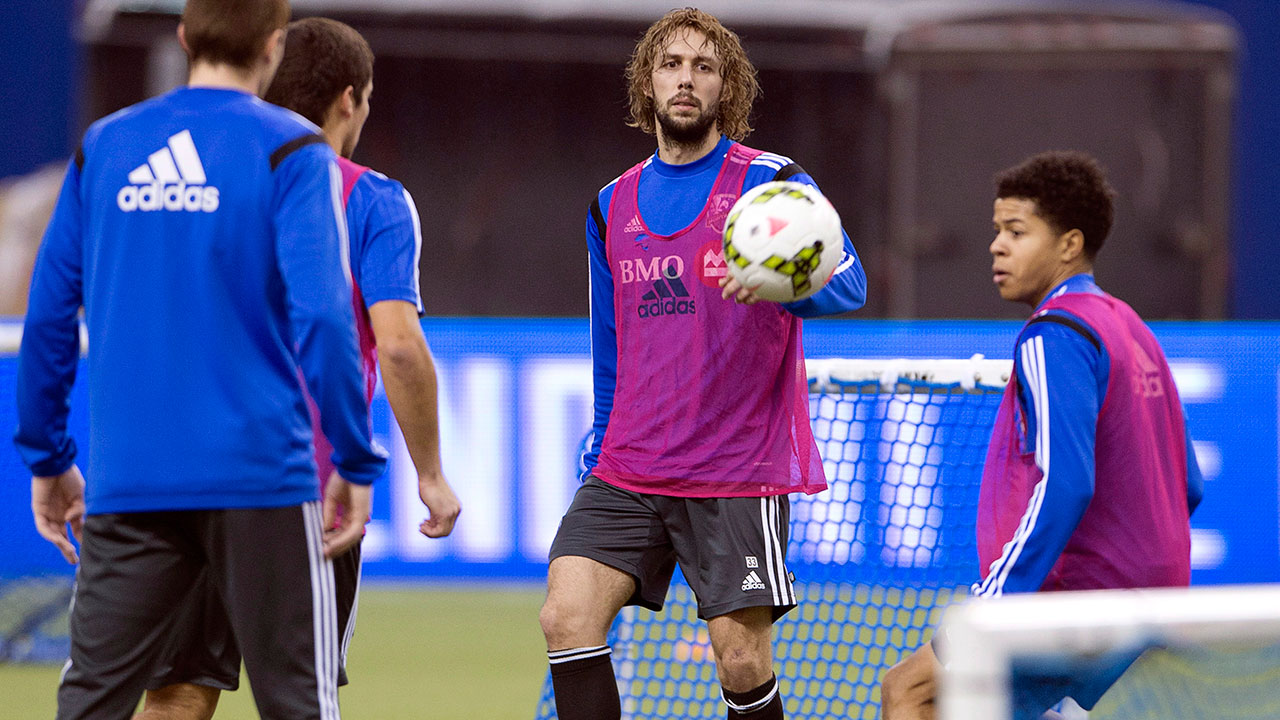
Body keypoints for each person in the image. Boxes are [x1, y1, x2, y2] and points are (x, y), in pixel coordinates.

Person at [12, 0, 388, 717]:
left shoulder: (105, 147)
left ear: (185, 36)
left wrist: (48, 457)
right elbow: (323, 318)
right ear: (273, 47)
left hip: (132, 483)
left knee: (93, 703)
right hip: (264, 485)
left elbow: (51, 317)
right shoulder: (293, 150)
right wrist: (352, 458)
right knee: (298, 705)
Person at [538, 8, 867, 720]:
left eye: (704, 67)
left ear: (728, 88)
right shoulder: (609, 204)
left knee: (740, 658)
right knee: (566, 616)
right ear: (647, 83)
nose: (686, 79)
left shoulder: (771, 182)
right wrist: (600, 434)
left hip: (736, 467)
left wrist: (787, 281)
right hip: (630, 462)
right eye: (671, 65)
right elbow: (610, 343)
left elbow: (852, 284)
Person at [133, 17, 463, 719]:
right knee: (300, 703)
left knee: (175, 693)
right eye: (368, 99)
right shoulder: (371, 198)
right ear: (349, 99)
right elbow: (398, 345)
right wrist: (429, 474)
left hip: (183, 475)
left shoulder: (199, 182)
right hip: (301, 487)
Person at [879, 151, 1204, 720]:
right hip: (1150, 594)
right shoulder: (1129, 325)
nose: (996, 246)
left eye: (1016, 231)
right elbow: (1190, 483)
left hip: (1082, 598)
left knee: (909, 691)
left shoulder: (1054, 334)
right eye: (997, 230)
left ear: (1069, 244)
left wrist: (996, 601)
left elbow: (1066, 484)